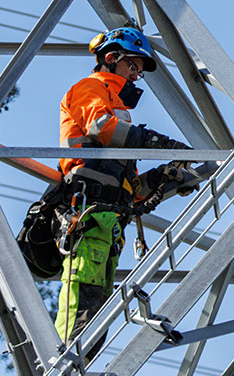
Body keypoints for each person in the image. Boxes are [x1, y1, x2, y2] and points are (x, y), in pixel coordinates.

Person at [54, 27, 198, 342]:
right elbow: (102, 128)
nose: (136, 76)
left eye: (139, 71)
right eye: (133, 66)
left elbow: (132, 190)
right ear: (110, 58)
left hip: (110, 221)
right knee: (82, 300)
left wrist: (163, 177)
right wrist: (160, 143)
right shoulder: (90, 88)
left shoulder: (118, 113)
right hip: (89, 211)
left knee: (97, 313)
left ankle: (79, 361)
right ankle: (65, 362)